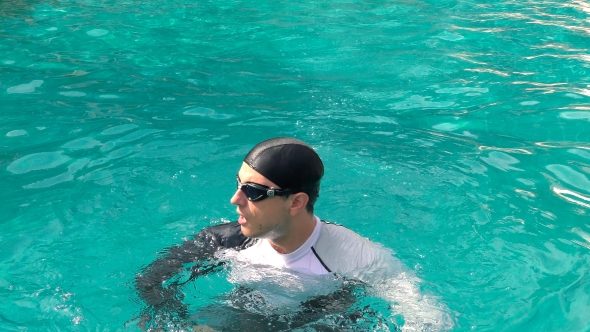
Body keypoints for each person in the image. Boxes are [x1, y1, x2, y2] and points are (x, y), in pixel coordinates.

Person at [134, 137, 452, 331]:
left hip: (327, 316)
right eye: (237, 183)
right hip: (247, 317)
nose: (235, 199)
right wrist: (183, 325)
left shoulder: (357, 257)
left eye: (254, 191)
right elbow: (149, 281)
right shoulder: (225, 240)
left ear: (296, 202)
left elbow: (428, 317)